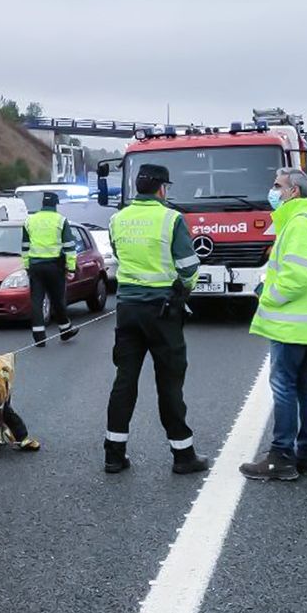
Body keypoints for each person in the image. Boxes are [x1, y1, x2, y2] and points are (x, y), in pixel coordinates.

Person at [103, 164, 211, 475]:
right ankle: (183, 455)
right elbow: (188, 267)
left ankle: (114, 455)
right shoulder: (171, 218)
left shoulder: (117, 219)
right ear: (162, 188)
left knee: (124, 381)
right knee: (169, 383)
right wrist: (184, 289)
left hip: (127, 309)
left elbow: (120, 256)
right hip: (163, 310)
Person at [240, 168, 307, 481]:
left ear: (293, 191)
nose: (273, 191)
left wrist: (268, 296)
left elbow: (297, 276)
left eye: (277, 186)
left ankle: (281, 456)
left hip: (292, 322)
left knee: (284, 387)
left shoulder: (298, 223)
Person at [19, 191, 78, 346]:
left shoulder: (30, 220)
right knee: (58, 299)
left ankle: (39, 337)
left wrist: (27, 266)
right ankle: (65, 330)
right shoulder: (60, 220)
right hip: (54, 265)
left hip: (35, 266)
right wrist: (71, 268)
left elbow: (25, 246)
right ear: (55, 204)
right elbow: (69, 246)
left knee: (37, 301)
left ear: (43, 204)